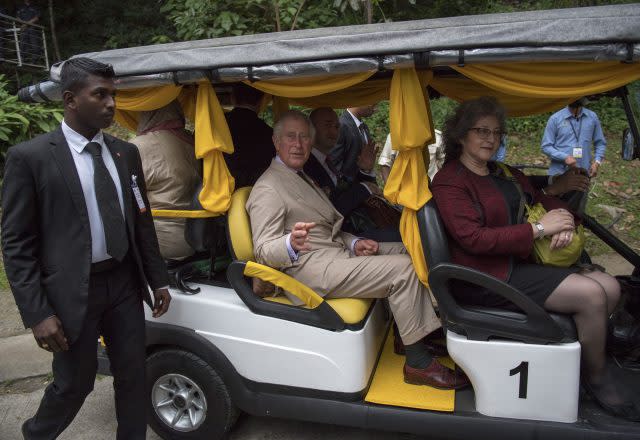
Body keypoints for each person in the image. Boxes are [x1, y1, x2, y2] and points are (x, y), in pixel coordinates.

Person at [431, 96, 637, 421]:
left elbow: (540, 198)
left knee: (610, 286)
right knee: (592, 295)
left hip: (518, 264)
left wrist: (564, 223)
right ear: (460, 135)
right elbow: (473, 238)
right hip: (485, 277)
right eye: (481, 131)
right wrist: (539, 229)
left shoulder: (502, 171)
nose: (490, 139)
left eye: (496, 132)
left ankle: (580, 359)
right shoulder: (450, 180)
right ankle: (596, 378)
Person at [1, 57, 171, 439]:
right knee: (75, 384)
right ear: (70, 99)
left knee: (133, 376)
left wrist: (157, 278)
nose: (111, 104)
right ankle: (37, 434)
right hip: (73, 291)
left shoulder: (126, 154)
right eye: (100, 95)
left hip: (124, 283)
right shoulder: (31, 158)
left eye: (113, 95)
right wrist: (36, 313)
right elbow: (16, 244)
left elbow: (141, 219)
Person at [246, 110, 469, 390]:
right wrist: (289, 244)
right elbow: (263, 249)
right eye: (291, 137)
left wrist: (353, 243)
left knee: (409, 250)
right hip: (308, 270)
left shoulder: (300, 176)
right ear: (276, 142)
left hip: (333, 255)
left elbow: (329, 227)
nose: (299, 144)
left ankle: (407, 335)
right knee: (404, 270)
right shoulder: (268, 187)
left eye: (304, 137)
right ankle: (417, 363)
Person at [306, 107, 401, 242]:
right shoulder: (308, 165)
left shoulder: (326, 162)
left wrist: (366, 170)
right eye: (327, 125)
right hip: (338, 235)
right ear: (311, 129)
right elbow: (331, 210)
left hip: (358, 224)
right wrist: (364, 188)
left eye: (337, 126)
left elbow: (345, 188)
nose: (334, 131)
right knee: (401, 237)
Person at [130, 100, 200, 260]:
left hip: (160, 241)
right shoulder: (193, 142)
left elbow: (124, 194)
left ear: (146, 112)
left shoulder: (140, 146)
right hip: (194, 237)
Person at [224, 82, 276, 188]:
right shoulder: (269, 133)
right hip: (259, 190)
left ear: (232, 98)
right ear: (261, 101)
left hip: (218, 191)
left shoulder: (213, 126)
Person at [329, 105, 378, 183]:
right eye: (373, 103)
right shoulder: (342, 126)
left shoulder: (364, 127)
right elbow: (333, 164)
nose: (376, 108)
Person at [378, 129, 444, 183]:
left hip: (430, 191)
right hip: (402, 192)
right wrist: (390, 193)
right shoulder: (395, 136)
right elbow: (385, 163)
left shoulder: (436, 137)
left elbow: (444, 165)